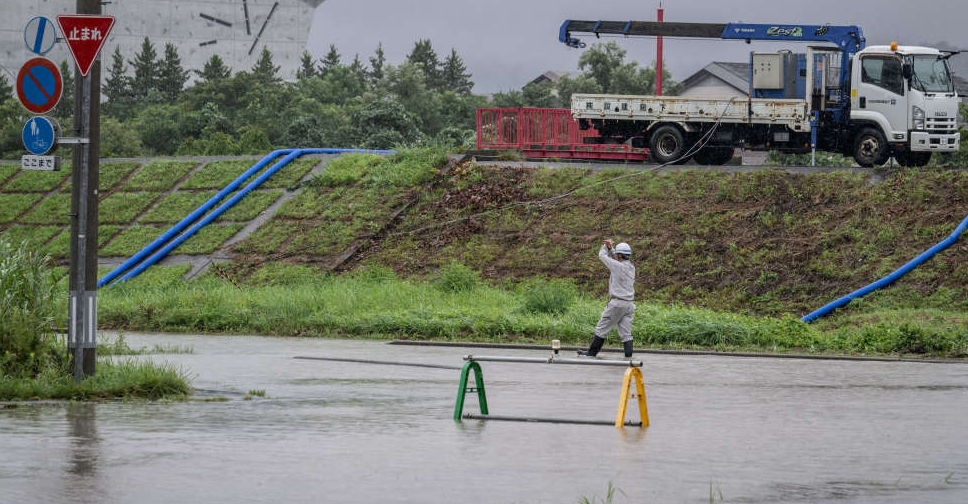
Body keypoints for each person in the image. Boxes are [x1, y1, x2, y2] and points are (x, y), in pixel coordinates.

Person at [578, 239, 636, 358]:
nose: (615, 255)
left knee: (601, 328)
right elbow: (616, 258)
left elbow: (602, 255)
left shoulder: (617, 266)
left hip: (617, 304)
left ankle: (592, 353)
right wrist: (611, 249)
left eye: (616, 253)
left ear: (619, 255)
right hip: (629, 305)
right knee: (626, 333)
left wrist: (605, 246)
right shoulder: (631, 267)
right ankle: (629, 357)